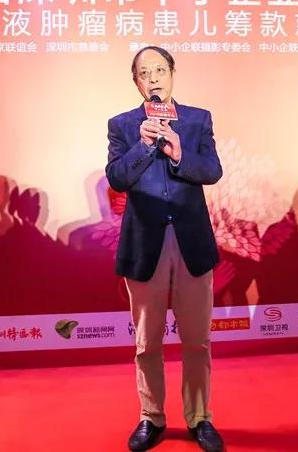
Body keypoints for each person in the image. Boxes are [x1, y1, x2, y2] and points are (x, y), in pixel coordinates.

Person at [106, 46, 224, 452]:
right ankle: (151, 416)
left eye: (159, 70)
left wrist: (180, 154)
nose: (153, 78)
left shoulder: (197, 119)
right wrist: (142, 146)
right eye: (144, 73)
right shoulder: (123, 125)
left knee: (197, 341)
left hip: (191, 243)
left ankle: (199, 417)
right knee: (147, 343)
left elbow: (212, 170)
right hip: (145, 246)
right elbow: (117, 178)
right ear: (136, 82)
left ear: (172, 74)